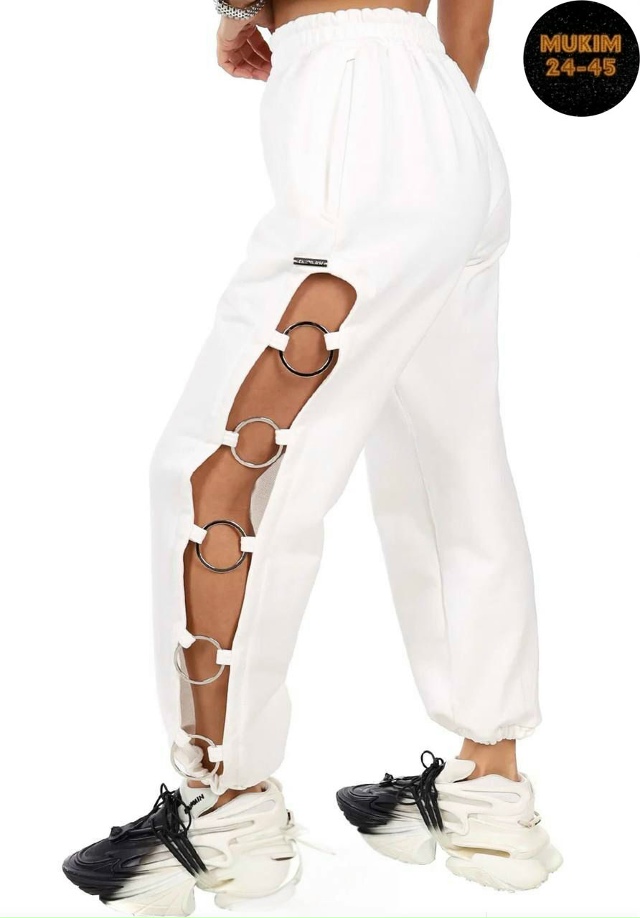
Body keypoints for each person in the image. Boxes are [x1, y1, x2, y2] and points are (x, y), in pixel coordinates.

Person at [63, 0, 562, 912]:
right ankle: (489, 792)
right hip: (449, 114)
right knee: (450, 462)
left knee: (220, 469)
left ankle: (228, 810)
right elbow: (472, 24)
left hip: (354, 115)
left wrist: (236, 10)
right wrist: (429, 147)